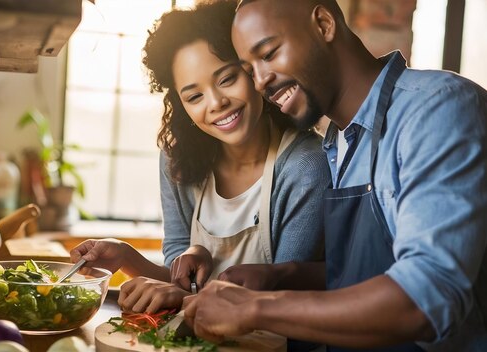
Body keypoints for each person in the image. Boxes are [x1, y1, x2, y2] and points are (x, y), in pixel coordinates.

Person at [183, 0, 487, 351]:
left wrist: (256, 308)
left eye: (268, 53)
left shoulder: (438, 110)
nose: (261, 81)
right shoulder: (338, 142)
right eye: (250, 70)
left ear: (325, 24)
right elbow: (371, 273)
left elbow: (426, 297)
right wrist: (281, 276)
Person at [70, 0, 330, 313]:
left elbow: (282, 296)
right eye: (195, 96)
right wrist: (128, 257)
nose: (217, 102)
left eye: (227, 79)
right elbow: (180, 284)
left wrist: (183, 298)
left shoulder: (305, 166)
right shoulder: (177, 161)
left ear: (252, 71)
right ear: (182, 106)